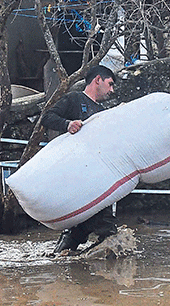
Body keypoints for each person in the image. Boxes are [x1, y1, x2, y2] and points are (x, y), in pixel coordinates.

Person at [41, 65, 118, 254]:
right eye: (110, 84)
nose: (112, 90)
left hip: (96, 174)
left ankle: (63, 257)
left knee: (80, 227)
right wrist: (67, 124)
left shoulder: (101, 111)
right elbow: (47, 117)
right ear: (97, 80)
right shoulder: (74, 99)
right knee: (107, 229)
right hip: (77, 175)